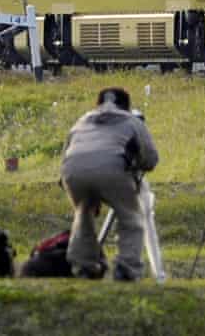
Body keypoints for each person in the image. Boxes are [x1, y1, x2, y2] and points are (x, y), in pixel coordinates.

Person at [60, 87, 160, 281]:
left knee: (83, 214)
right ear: (126, 106)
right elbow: (151, 158)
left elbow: (66, 152)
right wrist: (136, 165)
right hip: (111, 168)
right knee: (130, 217)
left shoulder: (82, 120)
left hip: (73, 170)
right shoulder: (131, 121)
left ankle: (83, 265)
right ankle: (127, 267)